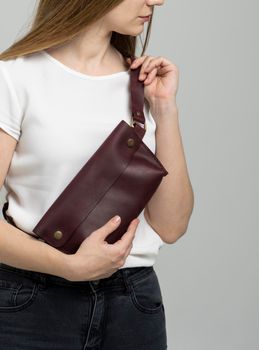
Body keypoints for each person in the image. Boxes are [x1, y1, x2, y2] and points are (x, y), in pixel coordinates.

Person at [0, 0, 194, 349]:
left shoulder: (142, 85)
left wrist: (165, 110)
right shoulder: (15, 76)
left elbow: (172, 226)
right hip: (32, 304)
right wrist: (68, 266)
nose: (157, 1)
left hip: (132, 302)